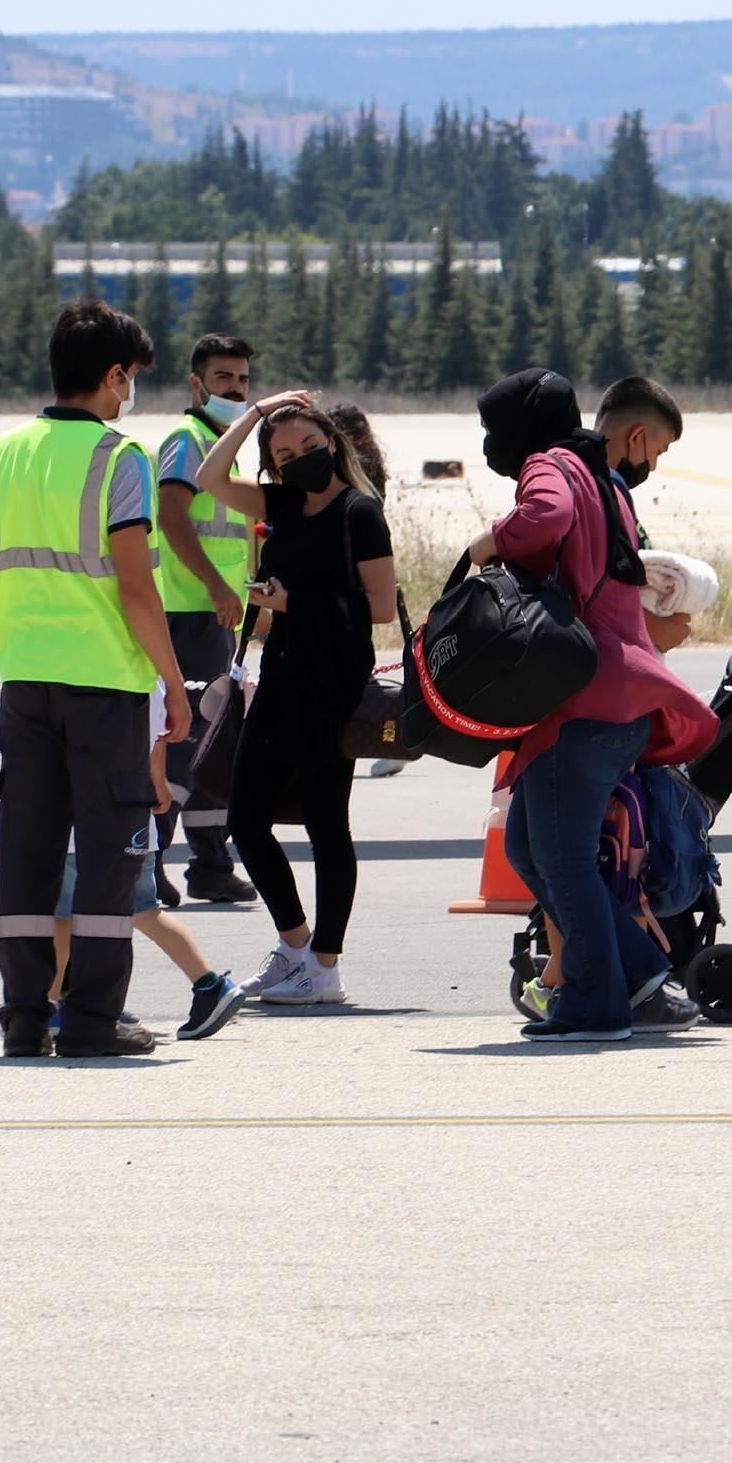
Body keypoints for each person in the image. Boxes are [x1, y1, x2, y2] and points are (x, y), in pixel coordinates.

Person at [0, 300, 189, 1062]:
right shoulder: (119, 458)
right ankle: (95, 1019)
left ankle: (25, 1016)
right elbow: (136, 585)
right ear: (113, 375)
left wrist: (17, 643)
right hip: (103, 684)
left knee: (27, 849)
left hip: (24, 680)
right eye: (130, 379)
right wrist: (174, 681)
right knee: (108, 852)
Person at [472, 370, 716, 1041]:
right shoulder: (605, 479)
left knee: (563, 856)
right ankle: (637, 971)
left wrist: (488, 541)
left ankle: (596, 1003)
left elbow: (543, 517)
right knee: (528, 846)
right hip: (619, 696)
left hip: (586, 697)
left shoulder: (551, 465)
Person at [192, 392, 397, 1008]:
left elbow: (381, 608)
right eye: (285, 454)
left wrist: (292, 602)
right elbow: (208, 479)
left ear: (332, 443)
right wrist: (257, 413)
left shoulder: (360, 512)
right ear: (274, 467)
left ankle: (325, 966)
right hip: (279, 677)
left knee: (327, 825)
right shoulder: (282, 503)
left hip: (330, 686)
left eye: (311, 445)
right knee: (246, 819)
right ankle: (295, 945)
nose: (302, 458)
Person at [46, 682, 244, 1041]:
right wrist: (158, 782)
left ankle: (53, 1002)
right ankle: (208, 984)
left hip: (87, 818)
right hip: (134, 814)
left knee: (64, 913)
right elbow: (157, 741)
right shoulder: (148, 678)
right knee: (143, 909)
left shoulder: (83, 676)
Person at [150, 332, 258, 907]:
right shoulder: (188, 441)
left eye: (241, 378)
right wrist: (217, 585)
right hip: (188, 612)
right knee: (182, 739)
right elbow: (171, 517)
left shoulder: (225, 446)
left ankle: (212, 864)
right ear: (196, 384)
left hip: (217, 615)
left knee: (216, 739)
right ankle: (150, 860)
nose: (235, 388)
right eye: (223, 378)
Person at [327, 403, 409, 781]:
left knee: (350, 668)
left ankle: (388, 733)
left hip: (346, 577)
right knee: (356, 664)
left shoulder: (349, 473)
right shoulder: (373, 469)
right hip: (367, 575)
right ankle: (388, 734)